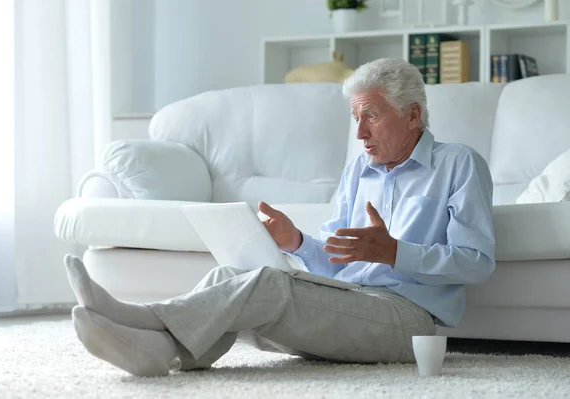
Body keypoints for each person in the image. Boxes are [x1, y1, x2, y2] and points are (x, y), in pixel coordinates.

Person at [66, 58, 495, 377]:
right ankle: (163, 353)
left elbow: (476, 261)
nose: (360, 132)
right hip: (345, 302)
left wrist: (396, 253)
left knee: (267, 287)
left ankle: (138, 317)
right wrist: (297, 243)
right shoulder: (356, 171)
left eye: (372, 116)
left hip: (408, 320)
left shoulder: (458, 165)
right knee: (228, 276)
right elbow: (337, 260)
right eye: (355, 118)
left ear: (412, 114)